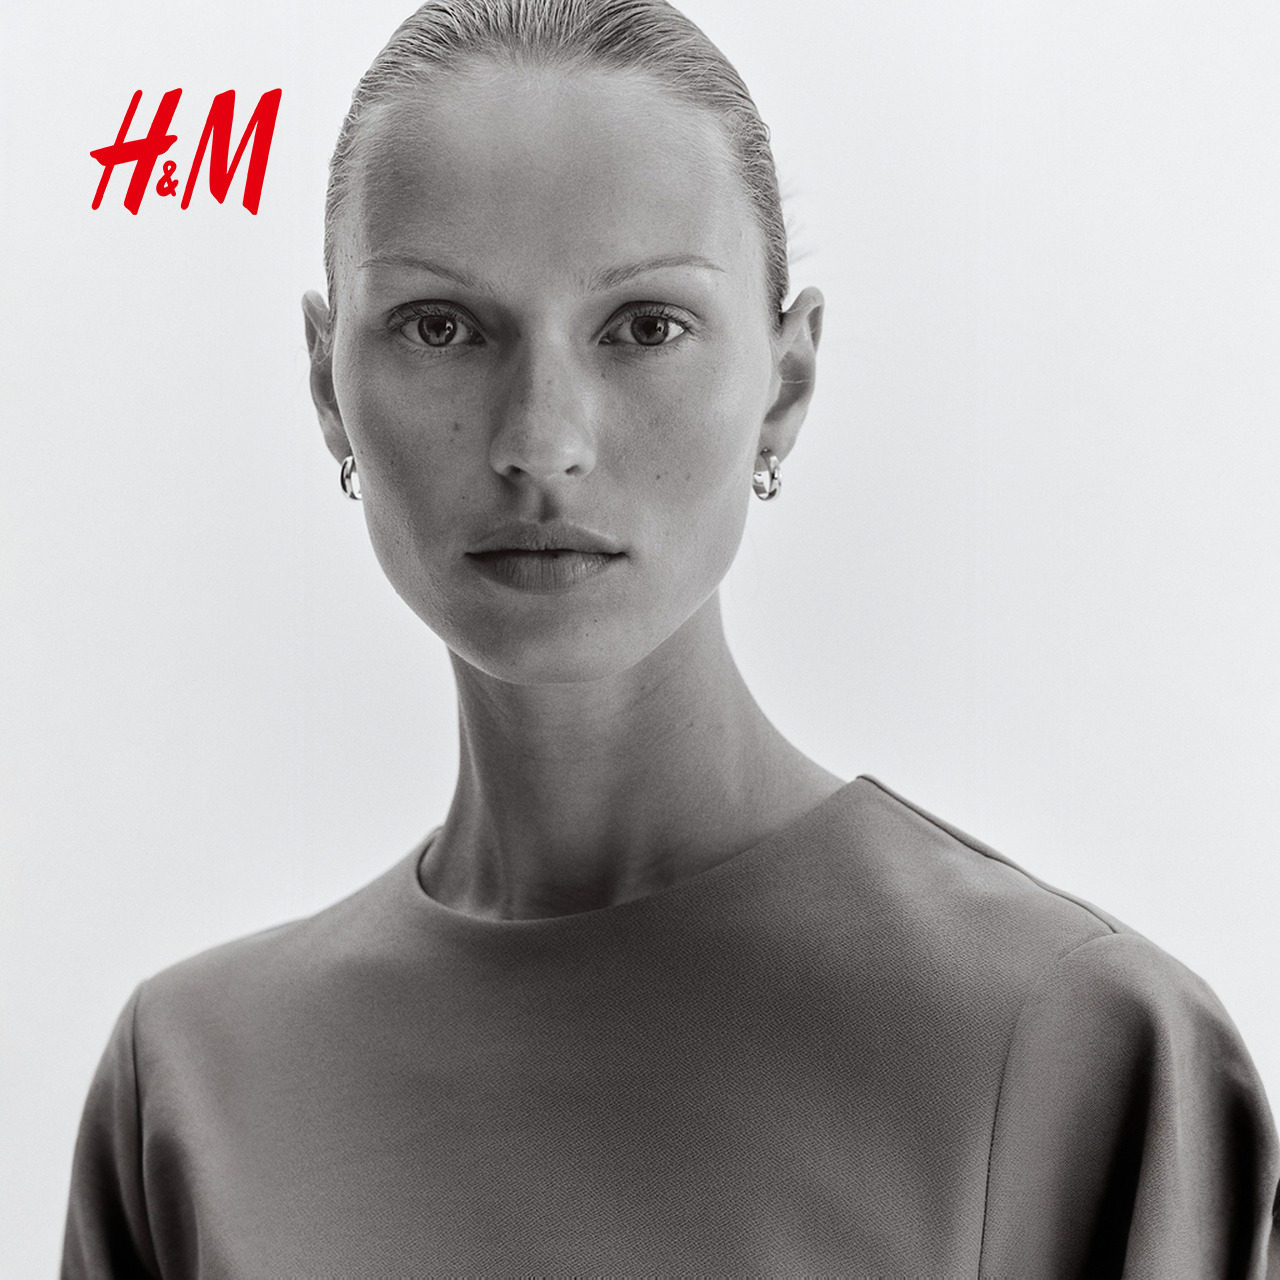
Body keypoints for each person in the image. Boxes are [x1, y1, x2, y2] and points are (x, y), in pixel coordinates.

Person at [62, 0, 1279, 1275]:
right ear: (328, 381)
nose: (541, 440)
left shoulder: (1075, 1047)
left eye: (644, 326)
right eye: (439, 325)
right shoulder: (189, 1091)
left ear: (785, 381)